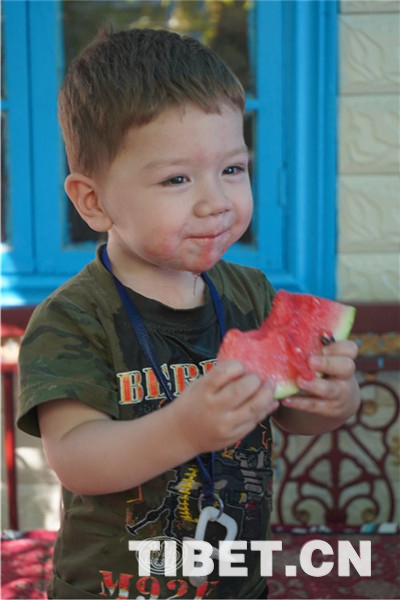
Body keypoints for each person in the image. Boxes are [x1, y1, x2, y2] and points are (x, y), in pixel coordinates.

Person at [17, 27, 360, 600]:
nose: (216, 202)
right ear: (94, 201)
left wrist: (333, 400)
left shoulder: (251, 294)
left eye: (232, 169)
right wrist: (182, 430)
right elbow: (75, 457)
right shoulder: (74, 318)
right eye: (177, 179)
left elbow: (292, 415)